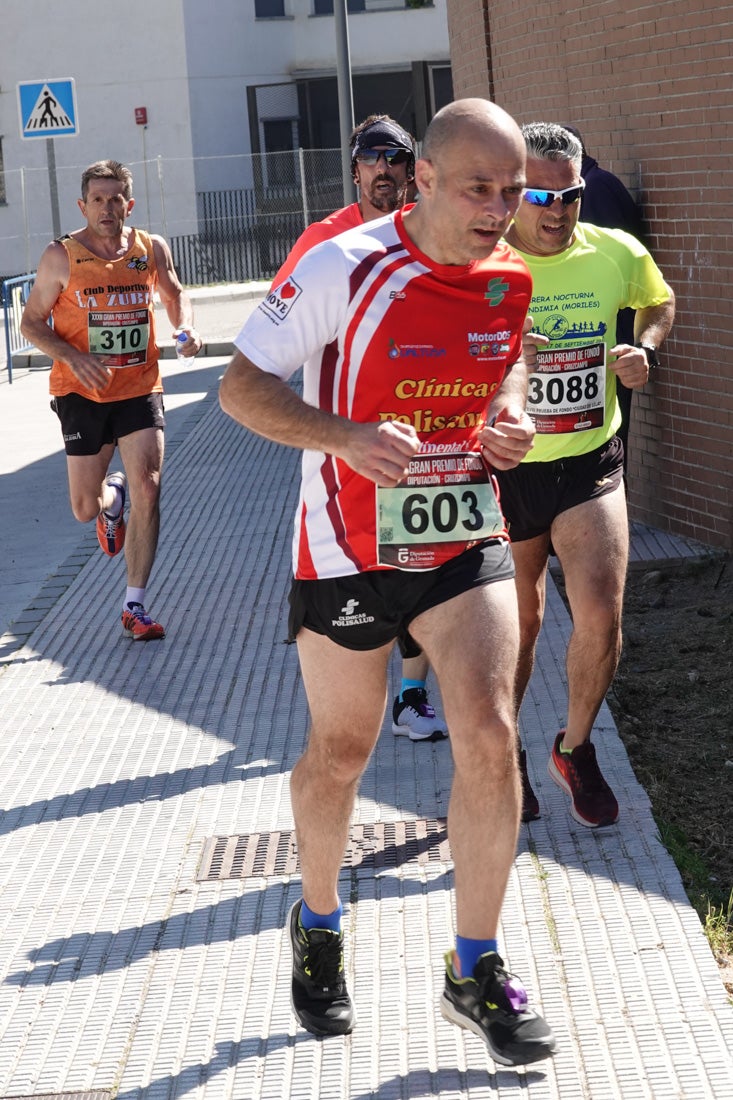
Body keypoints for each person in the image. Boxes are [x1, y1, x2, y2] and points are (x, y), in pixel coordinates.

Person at [220, 98, 557, 1066]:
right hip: (347, 545)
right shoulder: (343, 266)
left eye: (513, 191)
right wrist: (345, 438)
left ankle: (474, 962)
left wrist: (508, 418)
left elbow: (505, 370)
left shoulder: (508, 275)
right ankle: (319, 923)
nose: (500, 209)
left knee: (490, 734)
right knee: (341, 750)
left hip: (459, 533)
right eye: (479, 189)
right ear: (425, 182)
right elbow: (245, 386)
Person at [499, 122, 675, 827]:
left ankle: (573, 747)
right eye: (538, 194)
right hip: (506, 471)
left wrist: (646, 349)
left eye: (567, 194)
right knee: (522, 623)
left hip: (589, 461)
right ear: (513, 193)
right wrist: (505, 365)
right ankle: (500, 747)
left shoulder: (614, 253)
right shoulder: (480, 269)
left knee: (600, 615)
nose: (555, 209)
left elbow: (656, 301)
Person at [273, 113, 446, 742]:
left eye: (395, 157)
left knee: (421, 555)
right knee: (368, 571)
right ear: (354, 171)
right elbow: (275, 340)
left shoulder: (436, 230)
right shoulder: (323, 242)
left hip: (426, 431)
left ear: (413, 169)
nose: (384, 168)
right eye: (371, 158)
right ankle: (356, 701)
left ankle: (411, 694)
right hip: (348, 441)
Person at [20, 159, 202, 640]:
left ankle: (134, 606)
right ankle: (109, 498)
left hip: (140, 388)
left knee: (151, 487)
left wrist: (185, 328)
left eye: (114, 198)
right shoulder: (61, 257)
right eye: (97, 199)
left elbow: (174, 292)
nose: (107, 207)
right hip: (81, 393)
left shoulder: (149, 249)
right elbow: (31, 322)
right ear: (83, 205)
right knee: (84, 507)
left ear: (129, 203)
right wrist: (69, 356)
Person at [562, 124, 647, 466]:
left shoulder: (595, 189)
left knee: (607, 444)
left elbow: (614, 265)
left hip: (612, 336)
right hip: (605, 336)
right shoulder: (595, 185)